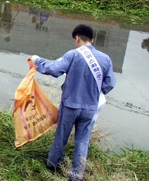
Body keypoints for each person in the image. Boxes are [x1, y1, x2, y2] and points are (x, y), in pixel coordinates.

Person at [30, 24, 116, 181]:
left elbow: (54, 69)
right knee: (82, 140)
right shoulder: (106, 59)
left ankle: (52, 164)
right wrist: (93, 92)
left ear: (77, 38)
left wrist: (37, 60)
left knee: (61, 136)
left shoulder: (73, 55)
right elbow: (109, 84)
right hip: (90, 108)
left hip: (70, 105)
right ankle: (76, 175)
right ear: (92, 40)